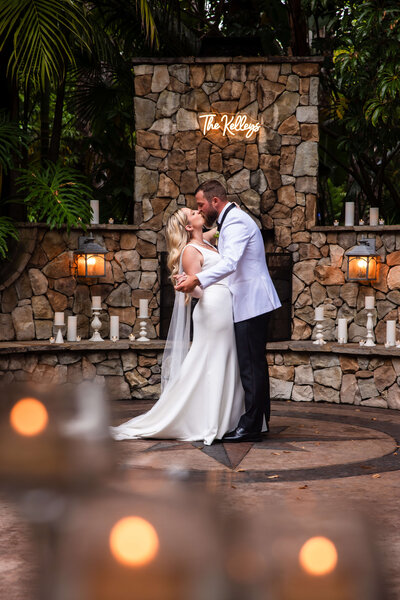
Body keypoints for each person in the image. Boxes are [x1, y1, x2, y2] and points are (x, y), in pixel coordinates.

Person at [111, 206, 245, 445]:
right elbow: (197, 290)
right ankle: (207, 420)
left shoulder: (205, 241)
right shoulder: (190, 251)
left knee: (224, 358)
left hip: (226, 306)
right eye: (193, 212)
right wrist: (186, 284)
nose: (198, 211)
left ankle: (228, 418)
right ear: (187, 226)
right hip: (212, 307)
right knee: (211, 360)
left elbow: (220, 229)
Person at [175, 180, 281, 443]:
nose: (199, 209)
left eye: (200, 205)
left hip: (251, 302)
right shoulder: (230, 220)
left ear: (214, 202)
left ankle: (252, 425)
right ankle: (259, 420)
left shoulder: (234, 222)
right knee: (254, 363)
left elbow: (231, 263)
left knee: (250, 366)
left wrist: (197, 280)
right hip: (249, 302)